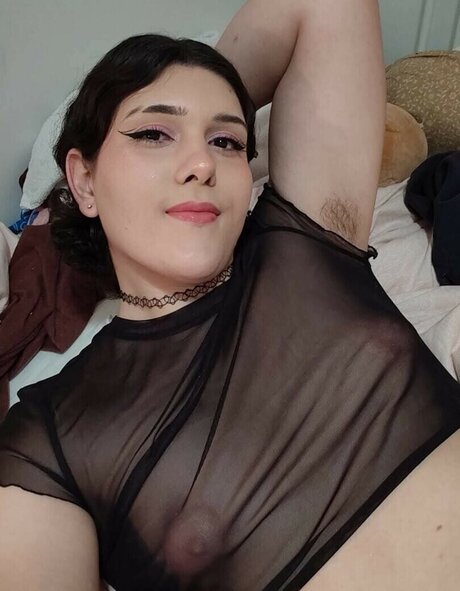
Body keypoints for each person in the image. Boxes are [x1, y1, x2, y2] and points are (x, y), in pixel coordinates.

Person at [1, 0, 460, 589]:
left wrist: (197, 76)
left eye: (226, 142)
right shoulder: (49, 437)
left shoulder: (302, 248)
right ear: (84, 181)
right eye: (152, 133)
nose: (201, 162)